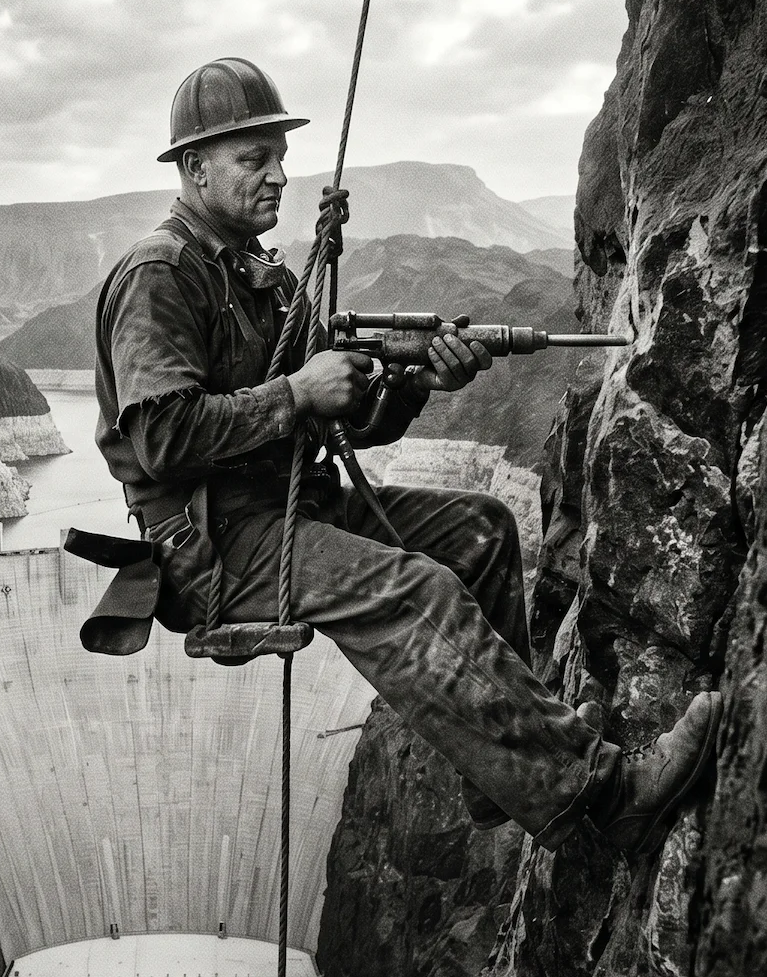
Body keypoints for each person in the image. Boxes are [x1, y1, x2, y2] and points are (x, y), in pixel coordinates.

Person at [86, 56, 721, 854]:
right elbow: (162, 436)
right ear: (194, 167)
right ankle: (603, 801)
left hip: (289, 507)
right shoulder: (161, 275)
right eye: (255, 159)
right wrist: (296, 395)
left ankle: (505, 772)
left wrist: (415, 384)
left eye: (280, 157)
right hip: (214, 540)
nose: (278, 175)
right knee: (418, 591)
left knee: (483, 532)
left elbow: (352, 426)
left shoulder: (265, 279)